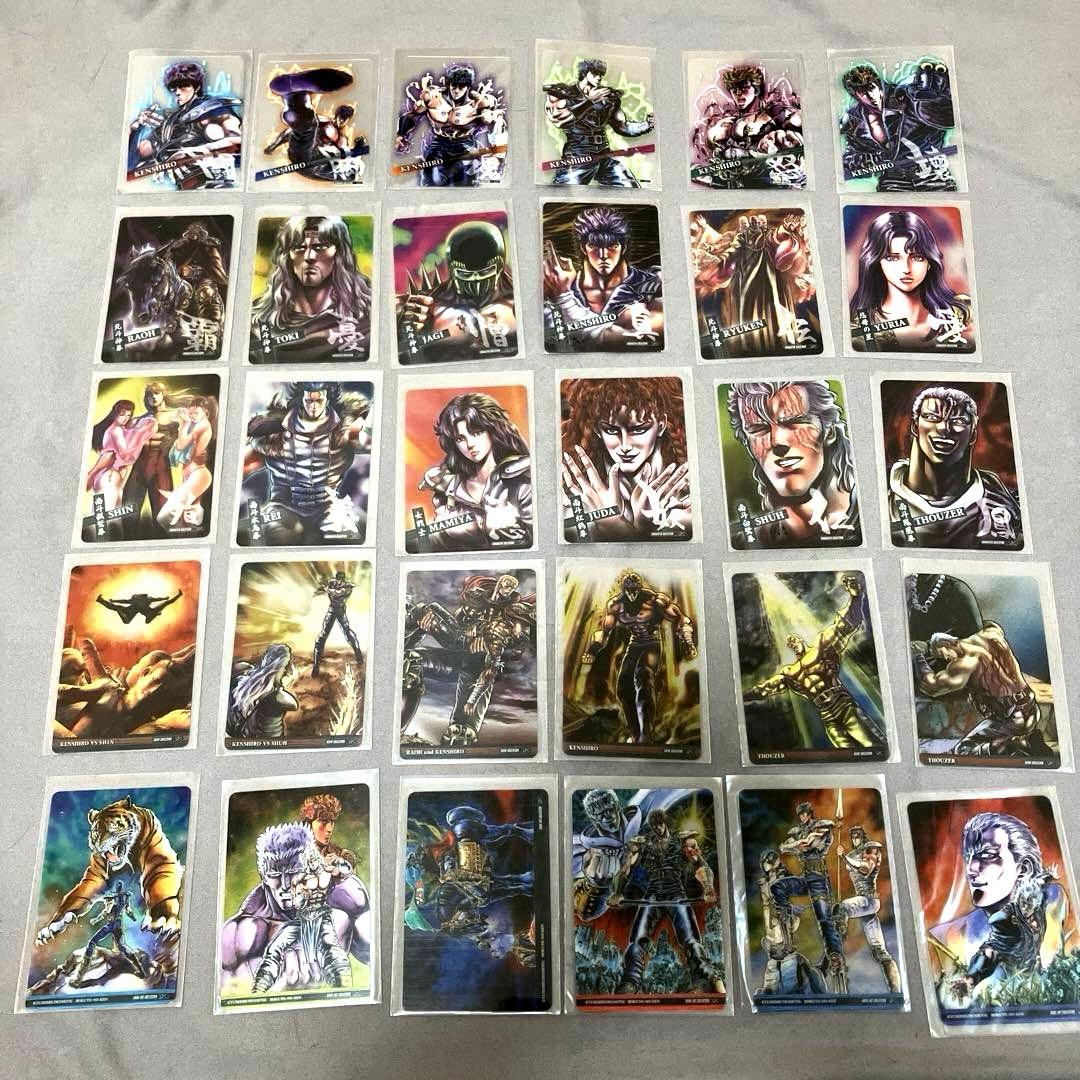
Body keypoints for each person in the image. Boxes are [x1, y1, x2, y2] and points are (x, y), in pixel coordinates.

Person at [929, 811, 1068, 1006]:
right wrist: (969, 981)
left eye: (987, 855)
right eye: (968, 856)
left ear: (1024, 869)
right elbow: (989, 954)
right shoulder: (950, 936)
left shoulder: (1053, 899)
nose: (971, 868)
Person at [220, 822, 371, 992]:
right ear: (263, 876)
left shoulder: (345, 894)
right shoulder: (240, 931)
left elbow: (376, 958)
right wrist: (278, 991)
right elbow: (227, 993)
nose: (285, 885)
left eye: (293, 872)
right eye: (275, 875)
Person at [744, 574, 886, 750]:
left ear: (802, 640)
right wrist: (741, 697)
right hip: (827, 716)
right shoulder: (790, 673)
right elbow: (764, 689)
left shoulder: (820, 649)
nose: (792, 641)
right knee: (845, 752)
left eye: (794, 638)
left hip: (843, 706)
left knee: (870, 745)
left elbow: (845, 625)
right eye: (789, 642)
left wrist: (856, 597)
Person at [724, 380, 859, 547]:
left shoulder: (876, 514)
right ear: (749, 446)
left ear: (829, 431)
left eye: (794, 422)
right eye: (758, 429)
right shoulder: (743, 542)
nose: (777, 441)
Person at [887, 385, 1022, 548]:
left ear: (972, 434)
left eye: (958, 421)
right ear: (914, 426)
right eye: (932, 417)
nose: (943, 428)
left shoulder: (1001, 505)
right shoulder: (878, 491)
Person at [560, 376, 690, 540]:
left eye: (638, 430)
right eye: (611, 430)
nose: (625, 446)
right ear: (597, 429)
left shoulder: (688, 491)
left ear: (661, 425)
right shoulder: (575, 495)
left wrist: (617, 526)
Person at [242, 381, 372, 545]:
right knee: (279, 534)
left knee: (349, 534)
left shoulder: (344, 429)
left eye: (319, 400)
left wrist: (366, 429)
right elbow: (243, 465)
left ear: (327, 399)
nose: (313, 406)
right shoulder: (274, 431)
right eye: (309, 400)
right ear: (301, 399)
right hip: (283, 506)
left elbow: (367, 440)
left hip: (327, 507)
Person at [607, 808, 721, 993]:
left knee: (690, 939)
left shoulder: (682, 841)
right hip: (652, 896)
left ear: (664, 823)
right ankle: (630, 982)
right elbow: (625, 868)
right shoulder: (643, 844)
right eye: (654, 826)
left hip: (676, 894)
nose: (658, 829)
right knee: (638, 940)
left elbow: (700, 865)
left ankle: (702, 978)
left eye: (660, 825)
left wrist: (708, 888)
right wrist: (617, 892)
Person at [582, 571, 697, 745]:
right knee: (622, 688)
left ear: (640, 588)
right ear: (624, 590)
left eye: (635, 590)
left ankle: (646, 735)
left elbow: (680, 619)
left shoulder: (655, 601)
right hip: (635, 644)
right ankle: (636, 734)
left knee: (643, 675)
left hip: (652, 643)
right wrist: (592, 650)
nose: (632, 594)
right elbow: (604, 632)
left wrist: (688, 642)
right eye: (629, 591)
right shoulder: (616, 606)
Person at [411, 392, 532, 552]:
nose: (470, 444)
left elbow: (543, 542)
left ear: (492, 430)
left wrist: (505, 530)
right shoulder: (451, 488)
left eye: (476, 433)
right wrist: (438, 531)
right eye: (460, 438)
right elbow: (431, 549)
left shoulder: (521, 483)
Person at [690, 210, 817, 356]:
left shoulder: (768, 237)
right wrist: (713, 259)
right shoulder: (739, 239)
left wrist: (788, 229)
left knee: (774, 316)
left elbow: (781, 248)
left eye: (760, 223)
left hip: (768, 286)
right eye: (752, 223)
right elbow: (726, 254)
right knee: (752, 317)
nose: (756, 225)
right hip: (747, 287)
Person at [913, 623, 1050, 759]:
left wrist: (918, 656)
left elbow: (931, 687)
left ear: (946, 643)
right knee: (971, 743)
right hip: (1030, 709)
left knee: (963, 750)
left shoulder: (965, 663)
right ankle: (1022, 741)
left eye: (941, 654)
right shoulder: (991, 632)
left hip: (1013, 719)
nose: (945, 659)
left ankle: (1019, 744)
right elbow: (990, 625)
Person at [249, 215, 371, 362]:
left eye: (320, 247)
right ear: (287, 256)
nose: (309, 256)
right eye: (299, 248)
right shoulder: (260, 318)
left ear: (339, 253)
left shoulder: (367, 315)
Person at [849, 210, 972, 352]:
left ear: (930, 262)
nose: (906, 269)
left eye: (917, 257)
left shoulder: (963, 312)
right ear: (877, 263)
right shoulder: (860, 332)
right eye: (892, 258)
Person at [543, 206, 662, 348]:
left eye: (612, 246)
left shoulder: (653, 286)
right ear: (583, 248)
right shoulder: (559, 286)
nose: (603, 255)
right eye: (594, 246)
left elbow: (638, 340)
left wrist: (564, 300)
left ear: (623, 247)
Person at [397, 219, 516, 360]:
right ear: (453, 269)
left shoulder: (518, 303)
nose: (475, 279)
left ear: (499, 265)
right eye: (465, 273)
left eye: (484, 271)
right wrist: (406, 331)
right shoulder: (428, 308)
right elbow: (403, 355)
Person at [839, 60, 957, 192]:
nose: (870, 96)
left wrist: (939, 104)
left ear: (878, 83)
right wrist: (874, 160)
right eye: (863, 93)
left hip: (931, 175)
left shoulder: (907, 95)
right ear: (855, 95)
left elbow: (938, 116)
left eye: (872, 88)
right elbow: (852, 159)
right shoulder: (855, 121)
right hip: (893, 181)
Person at [128, 59, 242, 189]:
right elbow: (133, 161)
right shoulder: (170, 123)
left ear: (196, 87)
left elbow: (239, 144)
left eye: (183, 87)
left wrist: (190, 154)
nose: (177, 92)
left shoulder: (213, 111)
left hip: (214, 186)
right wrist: (135, 128)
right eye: (174, 88)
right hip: (182, 190)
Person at [543, 58, 654, 186]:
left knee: (631, 186)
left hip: (604, 156)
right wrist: (589, 101)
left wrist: (646, 125)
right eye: (595, 73)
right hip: (578, 157)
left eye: (601, 74)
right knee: (563, 194)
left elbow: (622, 126)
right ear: (584, 74)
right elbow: (560, 120)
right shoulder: (563, 94)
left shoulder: (607, 96)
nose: (599, 77)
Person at [691, 63, 804, 187]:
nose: (738, 93)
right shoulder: (745, 154)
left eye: (744, 88)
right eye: (734, 89)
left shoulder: (777, 114)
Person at [395, 61, 507, 186]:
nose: (457, 91)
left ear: (468, 87)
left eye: (461, 87)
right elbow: (413, 115)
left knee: (466, 183)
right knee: (430, 181)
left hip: (465, 145)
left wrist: (498, 154)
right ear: (449, 83)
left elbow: (496, 122)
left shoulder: (479, 103)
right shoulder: (433, 98)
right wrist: (401, 134)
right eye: (454, 86)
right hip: (439, 143)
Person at [772, 802, 846, 984]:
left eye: (805, 813)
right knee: (777, 887)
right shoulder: (798, 830)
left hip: (818, 879)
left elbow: (809, 844)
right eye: (801, 814)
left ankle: (834, 956)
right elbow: (784, 847)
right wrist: (796, 844)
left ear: (810, 813)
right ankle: (787, 939)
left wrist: (796, 845)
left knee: (824, 919)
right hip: (805, 878)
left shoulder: (822, 826)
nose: (803, 817)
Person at [264, 67, 367, 183]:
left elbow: (346, 155)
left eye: (344, 119)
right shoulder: (325, 122)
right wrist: (272, 146)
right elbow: (291, 132)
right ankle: (294, 94)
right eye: (340, 117)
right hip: (305, 155)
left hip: (310, 164)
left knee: (349, 175)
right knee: (306, 128)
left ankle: (293, 93)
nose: (341, 122)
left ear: (347, 120)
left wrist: (358, 147)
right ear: (336, 115)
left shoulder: (341, 138)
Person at [836, 825, 901, 991]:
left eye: (858, 835)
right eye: (853, 836)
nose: (855, 838)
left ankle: (838, 941)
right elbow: (850, 866)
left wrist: (844, 857)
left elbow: (865, 869)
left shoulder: (871, 852)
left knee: (842, 908)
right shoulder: (852, 855)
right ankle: (895, 988)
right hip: (864, 906)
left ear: (863, 836)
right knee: (880, 951)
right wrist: (842, 857)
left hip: (869, 900)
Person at [123, 382, 179, 538]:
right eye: (149, 394)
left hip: (160, 470)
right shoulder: (139, 420)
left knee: (163, 513)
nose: (153, 397)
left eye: (156, 393)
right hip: (139, 469)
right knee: (128, 509)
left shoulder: (175, 416)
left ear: (163, 394)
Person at [85, 400, 158, 513]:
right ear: (115, 414)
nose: (126, 418)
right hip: (108, 478)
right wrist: (139, 435)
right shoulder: (116, 431)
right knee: (103, 518)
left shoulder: (119, 430)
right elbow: (125, 454)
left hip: (111, 479)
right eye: (122, 414)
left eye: (129, 415)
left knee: (107, 517)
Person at [156, 397, 215, 530]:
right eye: (191, 413)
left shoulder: (201, 426)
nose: (192, 416)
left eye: (196, 413)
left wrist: (185, 424)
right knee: (186, 521)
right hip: (192, 476)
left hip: (198, 475)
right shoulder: (197, 424)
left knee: (164, 518)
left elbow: (181, 445)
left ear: (205, 411)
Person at [96, 590, 182, 625]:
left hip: (145, 614)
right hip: (130, 611)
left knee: (121, 614)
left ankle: (101, 601)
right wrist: (114, 601)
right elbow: (125, 601)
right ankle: (100, 600)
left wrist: (165, 598)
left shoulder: (147, 600)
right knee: (117, 609)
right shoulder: (136, 601)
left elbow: (162, 600)